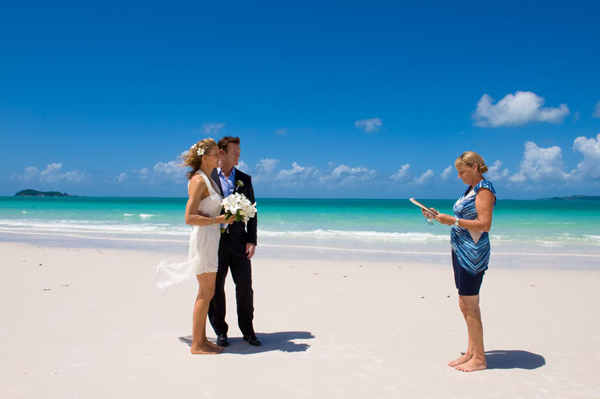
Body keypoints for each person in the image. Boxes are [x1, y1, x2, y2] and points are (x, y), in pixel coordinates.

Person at [156, 138, 234, 355]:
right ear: (205, 157)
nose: (220, 157)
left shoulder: (209, 179)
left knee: (206, 292)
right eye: (216, 154)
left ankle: (201, 340)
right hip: (204, 240)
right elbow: (189, 217)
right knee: (206, 292)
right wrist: (219, 220)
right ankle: (197, 345)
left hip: (211, 238)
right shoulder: (199, 181)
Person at [423, 151, 496, 372]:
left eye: (462, 171)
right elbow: (467, 219)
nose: (459, 176)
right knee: (465, 304)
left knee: (470, 305)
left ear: (474, 167)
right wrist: (439, 217)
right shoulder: (471, 190)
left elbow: (484, 224)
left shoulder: (484, 189)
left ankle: (480, 359)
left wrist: (452, 220)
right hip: (461, 251)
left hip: (472, 255)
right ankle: (472, 352)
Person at [208, 136, 260, 347]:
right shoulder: (208, 177)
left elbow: (253, 212)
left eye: (239, 152)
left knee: (245, 286)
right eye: (235, 151)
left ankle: (248, 330)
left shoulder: (245, 179)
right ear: (221, 153)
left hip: (239, 242)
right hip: (215, 241)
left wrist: (252, 241)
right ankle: (221, 331)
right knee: (216, 288)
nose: (239, 155)